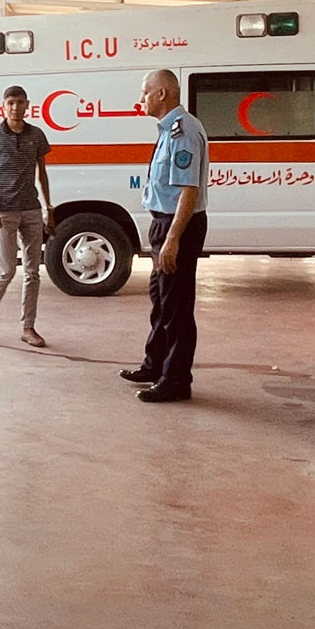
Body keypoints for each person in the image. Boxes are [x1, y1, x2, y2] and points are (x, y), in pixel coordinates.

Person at [119, 69, 209, 402]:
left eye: (145, 92)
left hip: (178, 226)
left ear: (162, 94)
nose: (140, 99)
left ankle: (176, 381)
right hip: (165, 223)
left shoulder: (182, 131)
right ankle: (155, 365)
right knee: (160, 300)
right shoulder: (168, 129)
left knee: (176, 307)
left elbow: (188, 189)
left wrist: (172, 238)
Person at [0, 84, 54, 348]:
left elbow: (42, 174)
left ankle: (28, 327)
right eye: (10, 102)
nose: (15, 107)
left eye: (20, 102)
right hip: (4, 212)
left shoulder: (36, 136)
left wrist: (48, 208)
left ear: (27, 105)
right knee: (8, 269)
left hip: (31, 210)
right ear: (3, 105)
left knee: (33, 272)